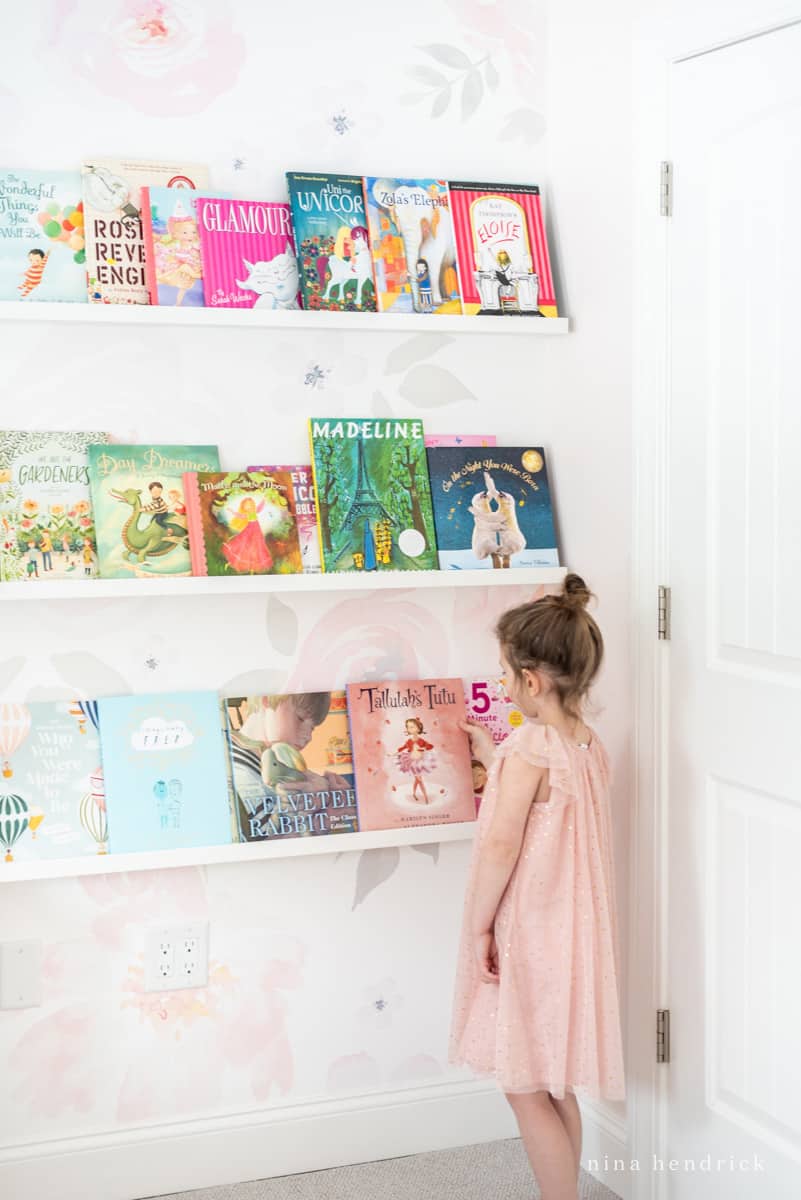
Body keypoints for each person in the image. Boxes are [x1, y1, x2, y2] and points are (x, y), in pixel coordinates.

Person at [449, 573, 625, 1200]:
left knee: (523, 1087)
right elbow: (552, 801)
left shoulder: (529, 750)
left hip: (528, 931)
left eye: (503, 674)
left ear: (531, 681)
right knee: (556, 1082)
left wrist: (478, 924)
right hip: (574, 934)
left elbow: (502, 845)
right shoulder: (583, 744)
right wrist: (491, 752)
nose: (499, 684)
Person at [394, 716, 436, 804]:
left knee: (417, 780)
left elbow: (430, 746)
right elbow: (402, 748)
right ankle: (426, 797)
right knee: (419, 780)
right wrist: (393, 754)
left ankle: (414, 793)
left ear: (418, 728)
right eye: (408, 727)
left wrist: (423, 749)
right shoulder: (409, 741)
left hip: (420, 762)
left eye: (412, 727)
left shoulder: (421, 740)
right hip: (412, 762)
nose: (409, 729)